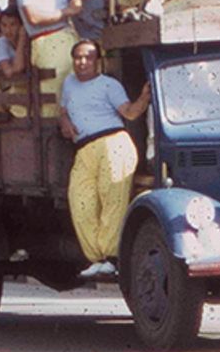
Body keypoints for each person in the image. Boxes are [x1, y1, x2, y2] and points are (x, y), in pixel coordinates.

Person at [59, 39, 152, 274]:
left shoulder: (108, 85)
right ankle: (96, 257)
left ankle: (111, 257)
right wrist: (65, 121)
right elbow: (62, 109)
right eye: (78, 57)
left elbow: (130, 113)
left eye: (88, 58)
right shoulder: (69, 83)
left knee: (113, 201)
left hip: (113, 144)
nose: (82, 62)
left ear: (97, 61)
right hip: (84, 149)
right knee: (81, 202)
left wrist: (143, 98)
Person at [19, 0, 104, 112]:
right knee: (54, 100)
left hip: (70, 40)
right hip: (47, 44)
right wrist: (68, 11)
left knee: (80, 95)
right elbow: (33, 17)